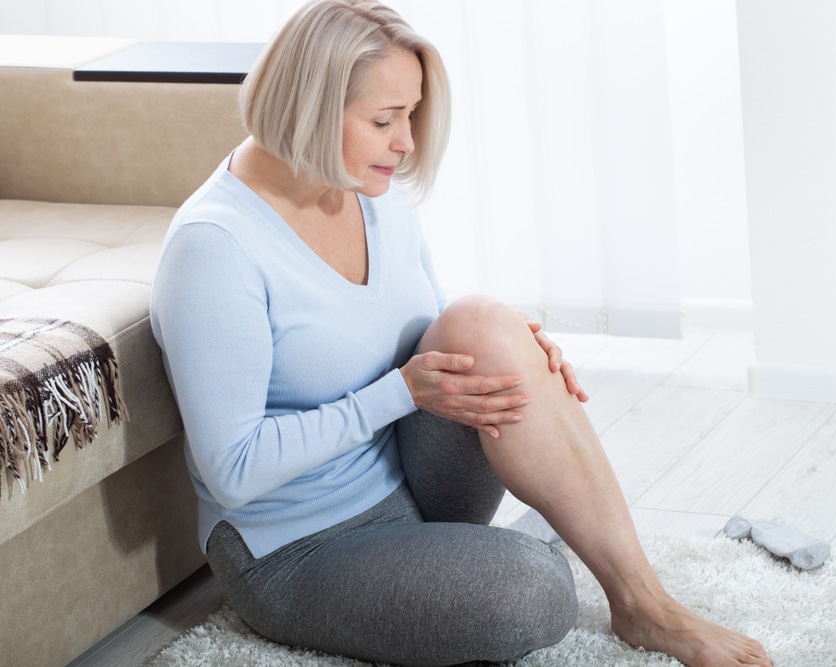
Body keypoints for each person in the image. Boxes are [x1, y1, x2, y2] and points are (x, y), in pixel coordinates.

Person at [150, 1, 773, 666]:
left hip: (404, 481)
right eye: (385, 120)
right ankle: (482, 566)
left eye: (410, 116)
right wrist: (400, 394)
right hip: (294, 548)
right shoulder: (215, 248)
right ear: (310, 107)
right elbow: (233, 470)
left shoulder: (366, 190)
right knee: (537, 592)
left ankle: (645, 602)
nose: (407, 141)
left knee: (484, 322)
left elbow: (432, 332)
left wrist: (510, 348)